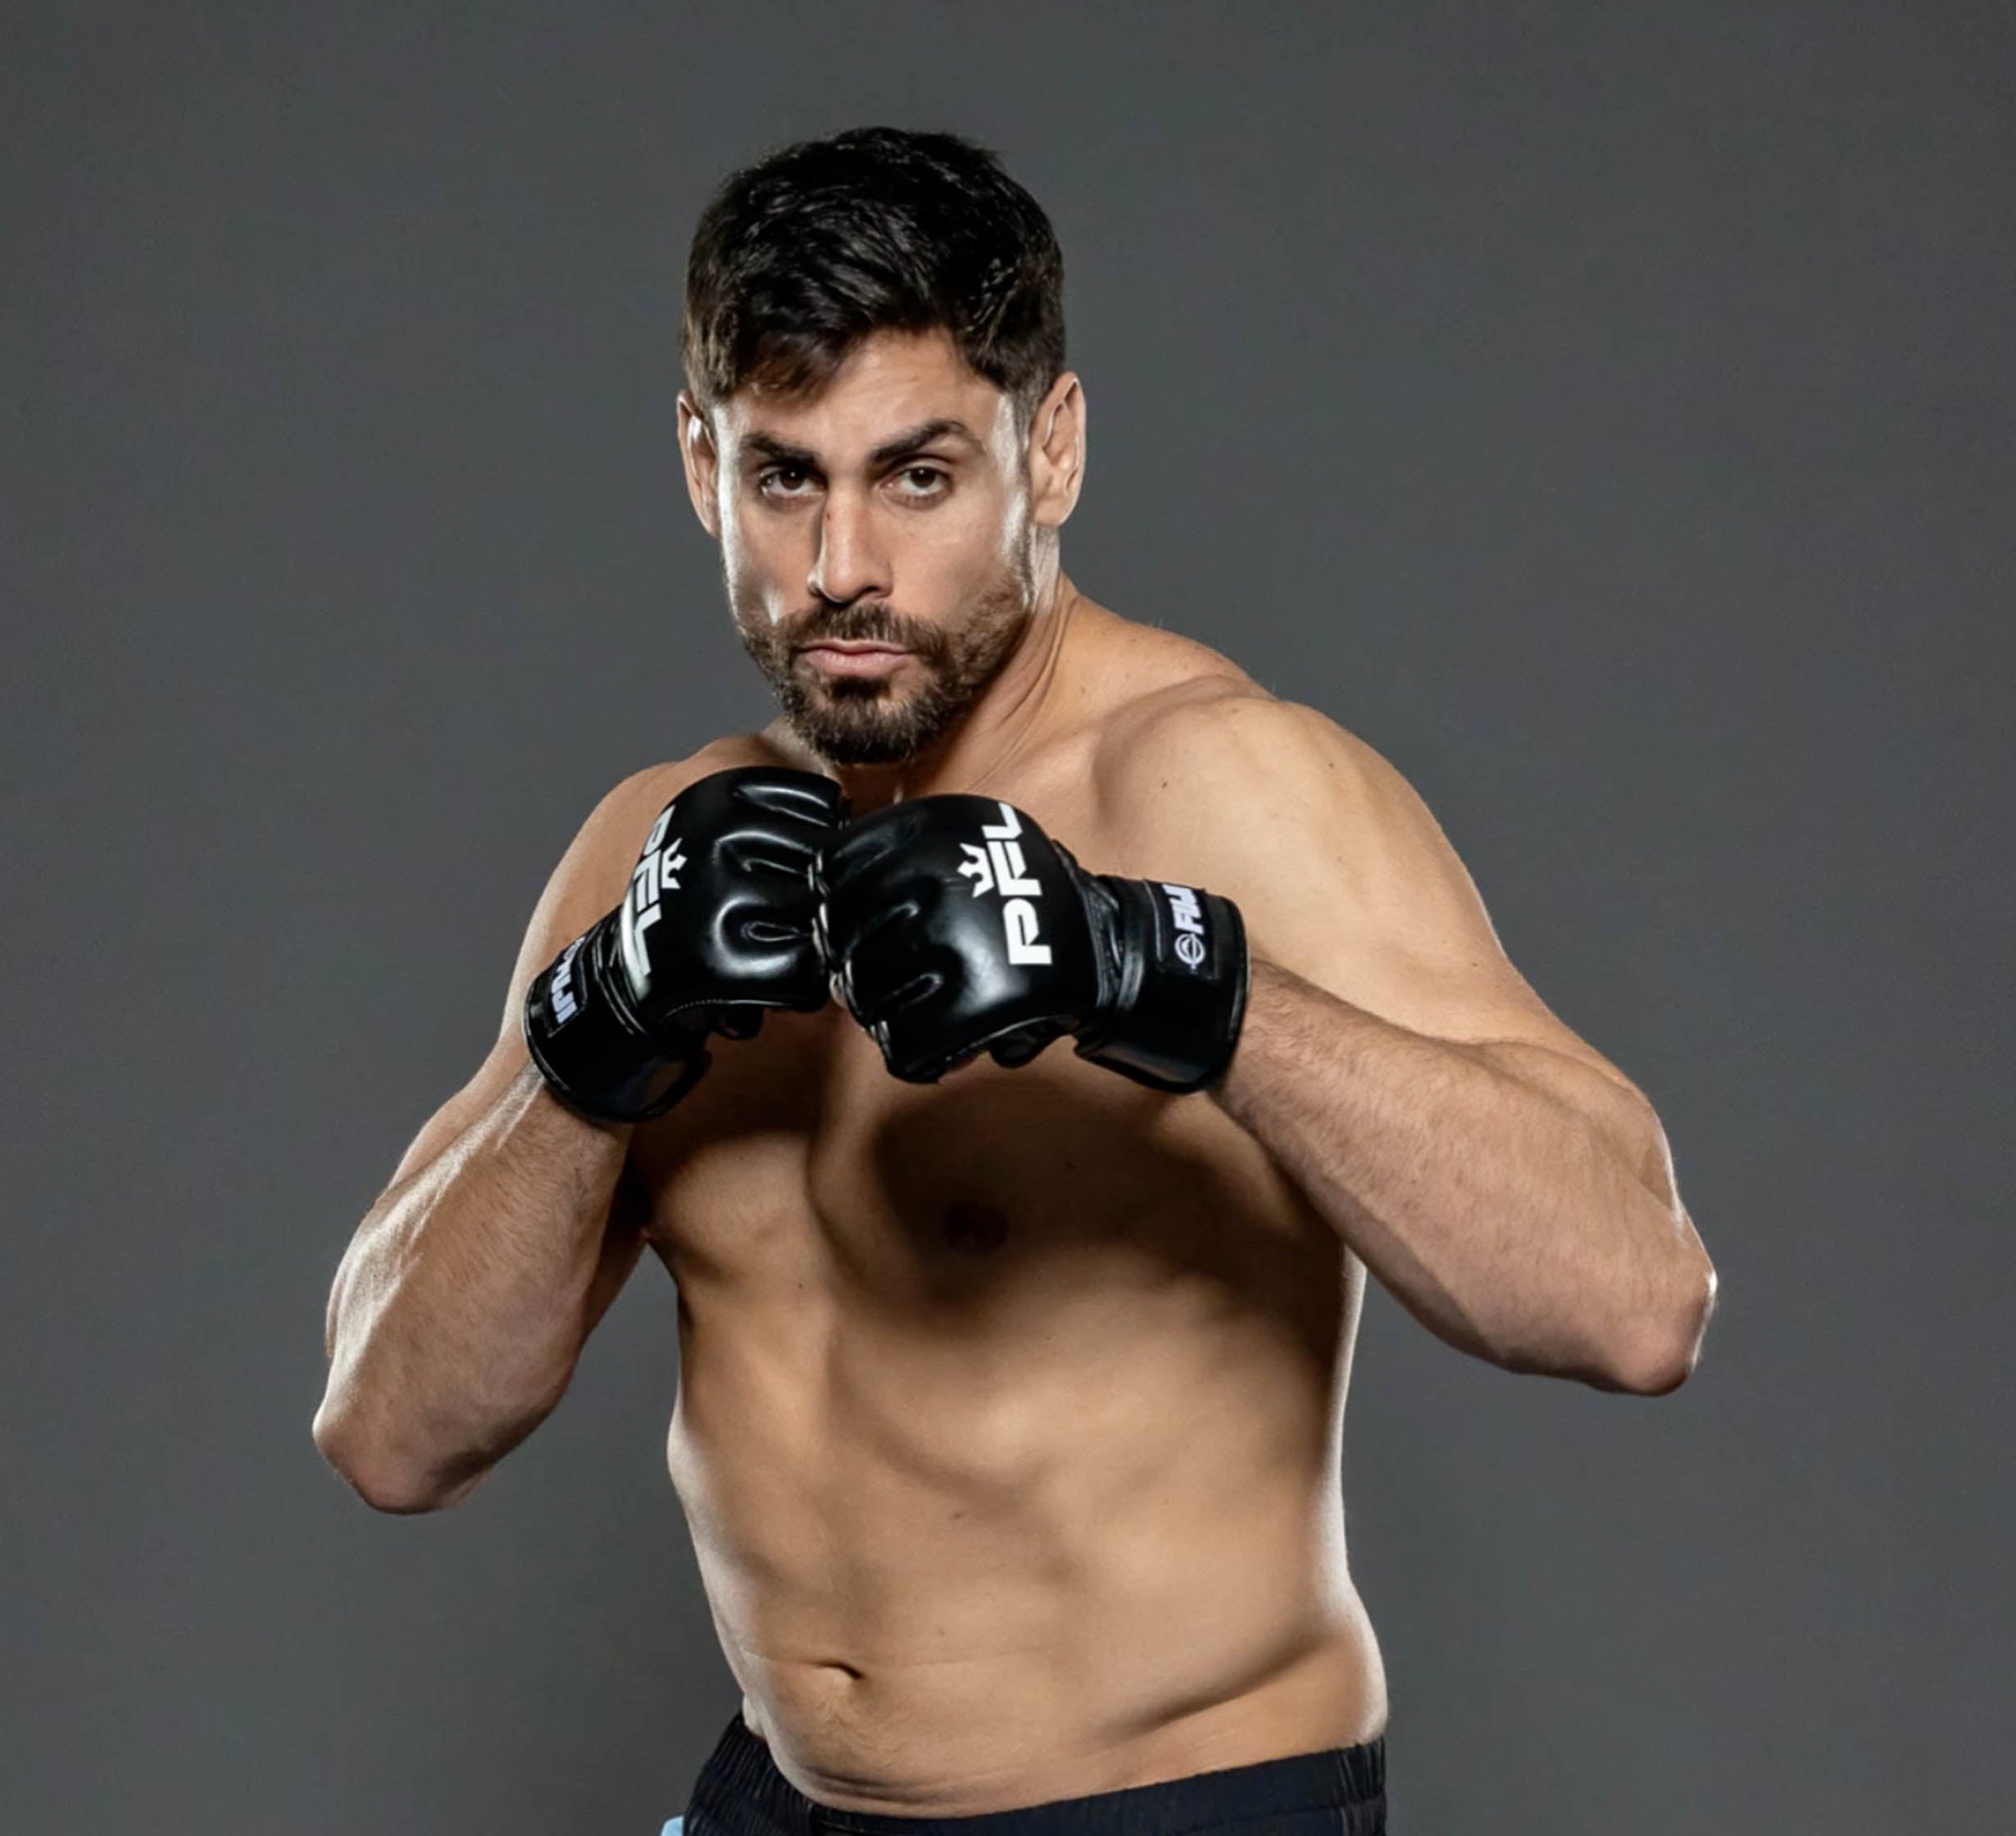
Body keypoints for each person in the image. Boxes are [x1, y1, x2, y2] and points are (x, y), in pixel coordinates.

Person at [313, 125, 1717, 1836]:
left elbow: (1635, 1297)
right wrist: (586, 1037)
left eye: (918, 477)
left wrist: (1168, 974)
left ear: (1047, 451)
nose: (841, 568)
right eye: (783, 477)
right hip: (777, 1800)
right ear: (699, 464)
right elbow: (390, 1431)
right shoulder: (659, 848)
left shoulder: (1221, 787)